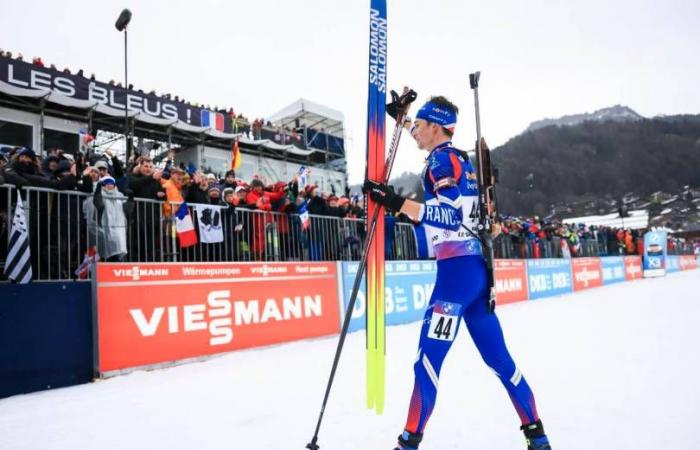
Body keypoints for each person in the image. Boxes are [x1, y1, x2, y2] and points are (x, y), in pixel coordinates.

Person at [364, 96, 551, 450]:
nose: (414, 132)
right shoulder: (458, 160)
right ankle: (538, 439)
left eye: (419, 126)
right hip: (476, 278)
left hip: (456, 280)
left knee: (427, 364)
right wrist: (403, 120)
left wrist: (394, 202)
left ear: (436, 127)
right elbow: (474, 216)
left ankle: (408, 444)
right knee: (501, 362)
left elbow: (449, 216)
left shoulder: (440, 160)